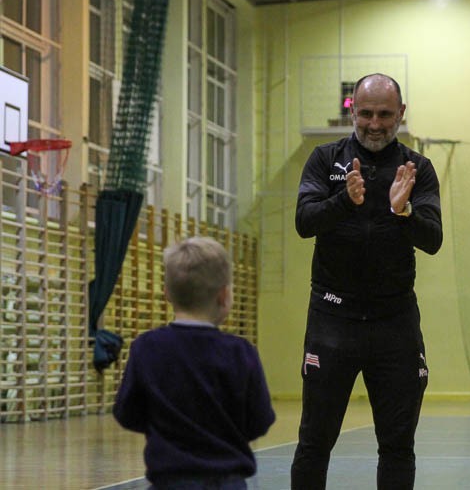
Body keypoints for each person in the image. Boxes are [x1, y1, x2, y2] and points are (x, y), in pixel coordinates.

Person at [291, 73, 443, 489]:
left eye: (385, 114)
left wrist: (404, 212)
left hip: (394, 325)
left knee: (397, 445)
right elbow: (304, 222)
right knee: (314, 441)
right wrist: (344, 201)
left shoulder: (418, 169)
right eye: (366, 114)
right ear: (352, 112)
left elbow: (433, 241)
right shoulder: (325, 160)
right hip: (332, 320)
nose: (375, 124)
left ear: (401, 114)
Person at [113, 236, 275, 489]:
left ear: (167, 293)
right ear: (224, 296)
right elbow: (260, 419)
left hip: (169, 482)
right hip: (226, 482)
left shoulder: (146, 348)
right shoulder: (241, 353)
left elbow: (127, 413)